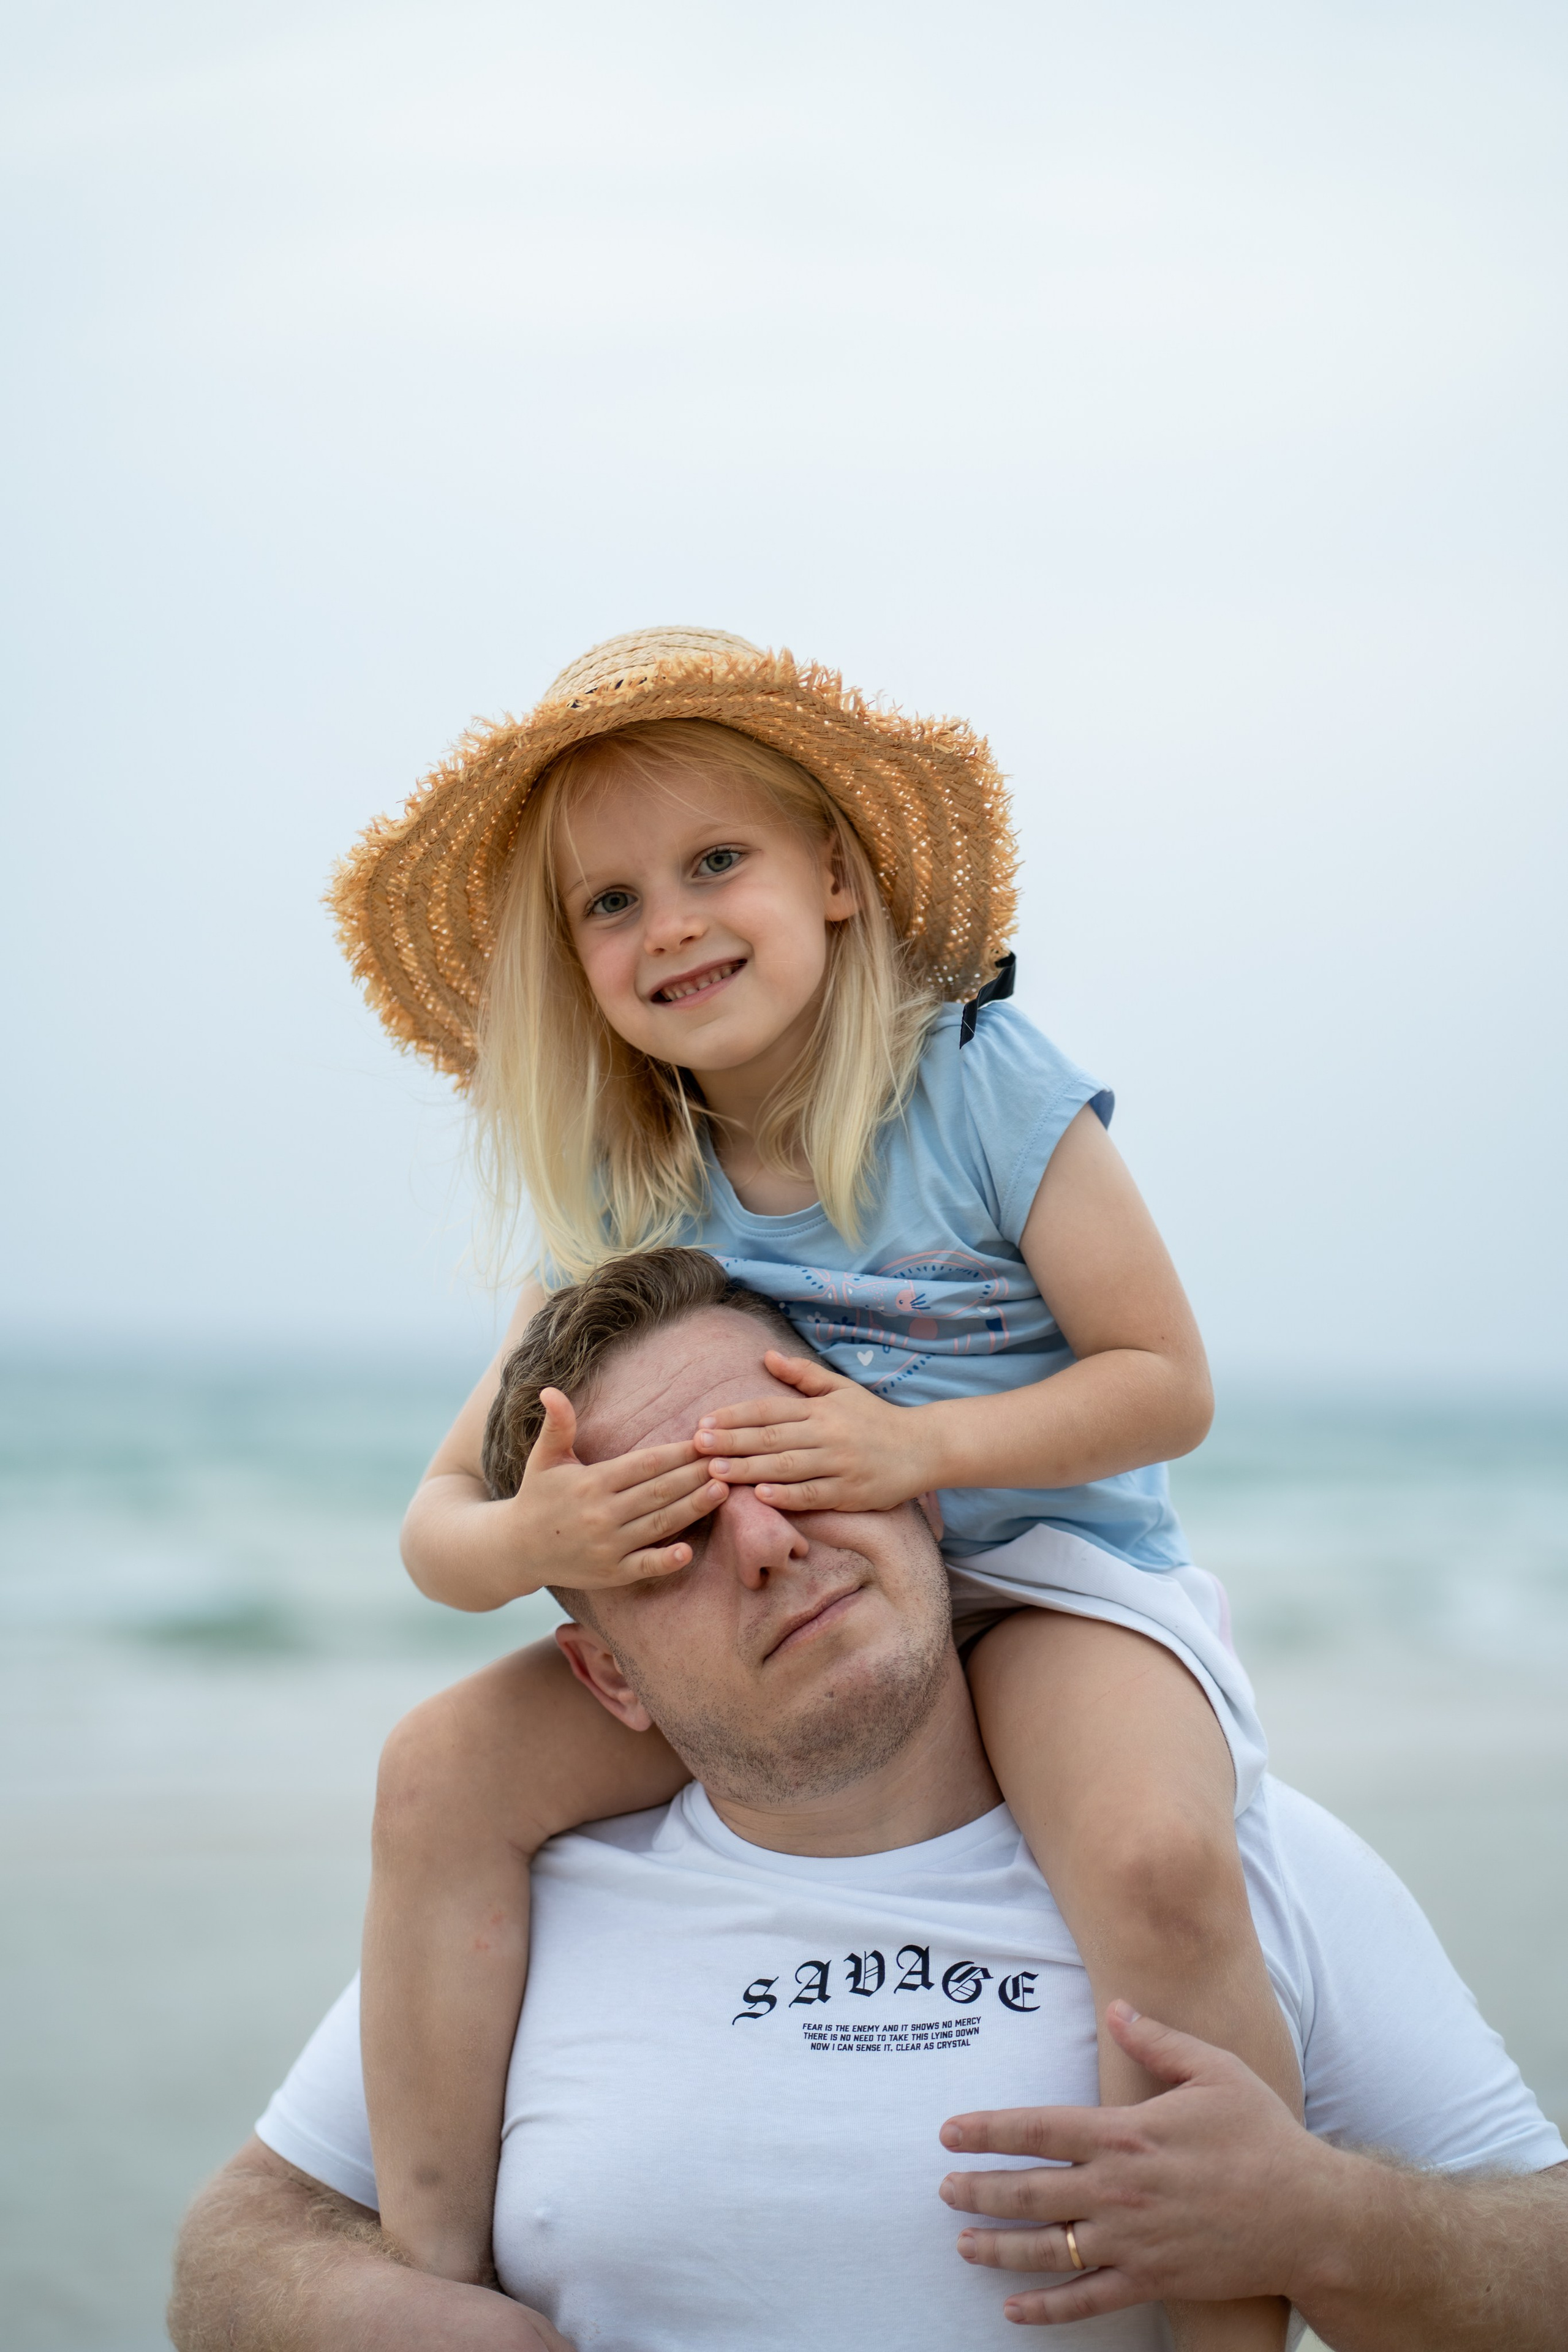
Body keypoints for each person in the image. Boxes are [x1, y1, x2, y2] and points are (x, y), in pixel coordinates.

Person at [333, 627, 1286, 2346]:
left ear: (835, 879)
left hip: (1042, 1581)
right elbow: (435, 1527)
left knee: (1152, 1858)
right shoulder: (632, 1183)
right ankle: (436, 2282)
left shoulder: (976, 1079)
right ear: (574, 965)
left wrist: (918, 1450)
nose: (671, 923)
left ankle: (1223, 2314)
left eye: (717, 862)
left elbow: (1165, 1382)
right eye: (610, 902)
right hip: (793, 1608)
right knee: (434, 1775)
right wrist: (534, 1534)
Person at [168, 1264, 1568, 2352]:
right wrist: (397, 2320)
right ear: (606, 1677)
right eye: (672, 1534)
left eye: (787, 1458)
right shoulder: (518, 1899)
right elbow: (239, 2246)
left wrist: (1329, 2224)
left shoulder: (1219, 1862)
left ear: (923, 1493)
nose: (765, 1540)